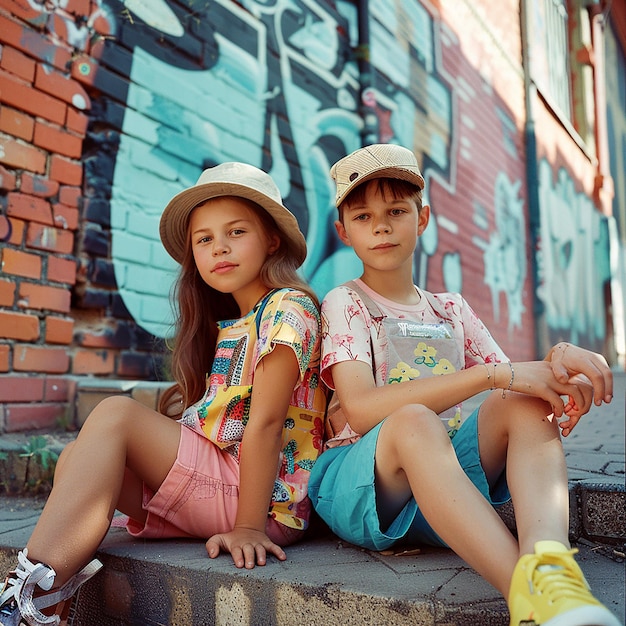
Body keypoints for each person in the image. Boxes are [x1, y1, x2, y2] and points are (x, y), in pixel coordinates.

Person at [308, 143, 622, 626]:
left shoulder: (450, 309)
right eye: (364, 216)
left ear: (424, 217)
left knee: (522, 406)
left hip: (444, 483)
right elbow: (364, 409)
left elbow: (512, 388)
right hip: (366, 486)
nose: (382, 226)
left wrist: (559, 365)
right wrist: (496, 374)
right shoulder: (346, 303)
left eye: (396, 211)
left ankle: (553, 571)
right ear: (343, 231)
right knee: (411, 419)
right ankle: (525, 594)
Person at [0, 162, 327, 626]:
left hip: (260, 499)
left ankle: (22, 602)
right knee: (78, 458)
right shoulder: (239, 321)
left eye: (236, 231)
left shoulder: (288, 309)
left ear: (272, 240)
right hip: (225, 485)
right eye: (205, 239)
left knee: (116, 414)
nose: (220, 248)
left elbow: (268, 423)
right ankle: (49, 606)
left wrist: (249, 528)